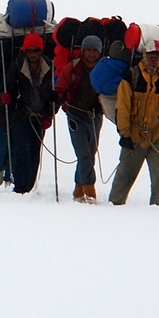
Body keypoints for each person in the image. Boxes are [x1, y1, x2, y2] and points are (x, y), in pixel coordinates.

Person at [108, 39, 159, 206]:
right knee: (126, 173)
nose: (153, 57)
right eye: (150, 54)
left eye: (156, 54)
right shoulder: (132, 75)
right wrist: (124, 133)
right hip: (134, 133)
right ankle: (114, 206)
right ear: (144, 55)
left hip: (156, 133)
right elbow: (123, 106)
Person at [0, 33, 56, 194]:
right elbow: (5, 87)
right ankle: (20, 187)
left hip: (40, 116)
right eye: (30, 51)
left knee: (34, 151)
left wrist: (50, 114)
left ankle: (28, 186)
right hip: (20, 115)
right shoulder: (18, 66)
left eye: (36, 51)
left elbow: (54, 95)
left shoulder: (49, 67)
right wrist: (2, 97)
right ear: (25, 51)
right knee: (21, 150)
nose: (33, 54)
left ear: (41, 51)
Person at [55, 35, 104, 202]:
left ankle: (78, 189)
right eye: (88, 49)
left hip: (95, 117)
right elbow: (60, 88)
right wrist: (58, 101)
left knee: (90, 153)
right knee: (84, 154)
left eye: (95, 50)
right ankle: (90, 190)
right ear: (83, 51)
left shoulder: (103, 69)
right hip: (75, 116)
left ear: (99, 52)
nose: (91, 53)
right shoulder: (72, 68)